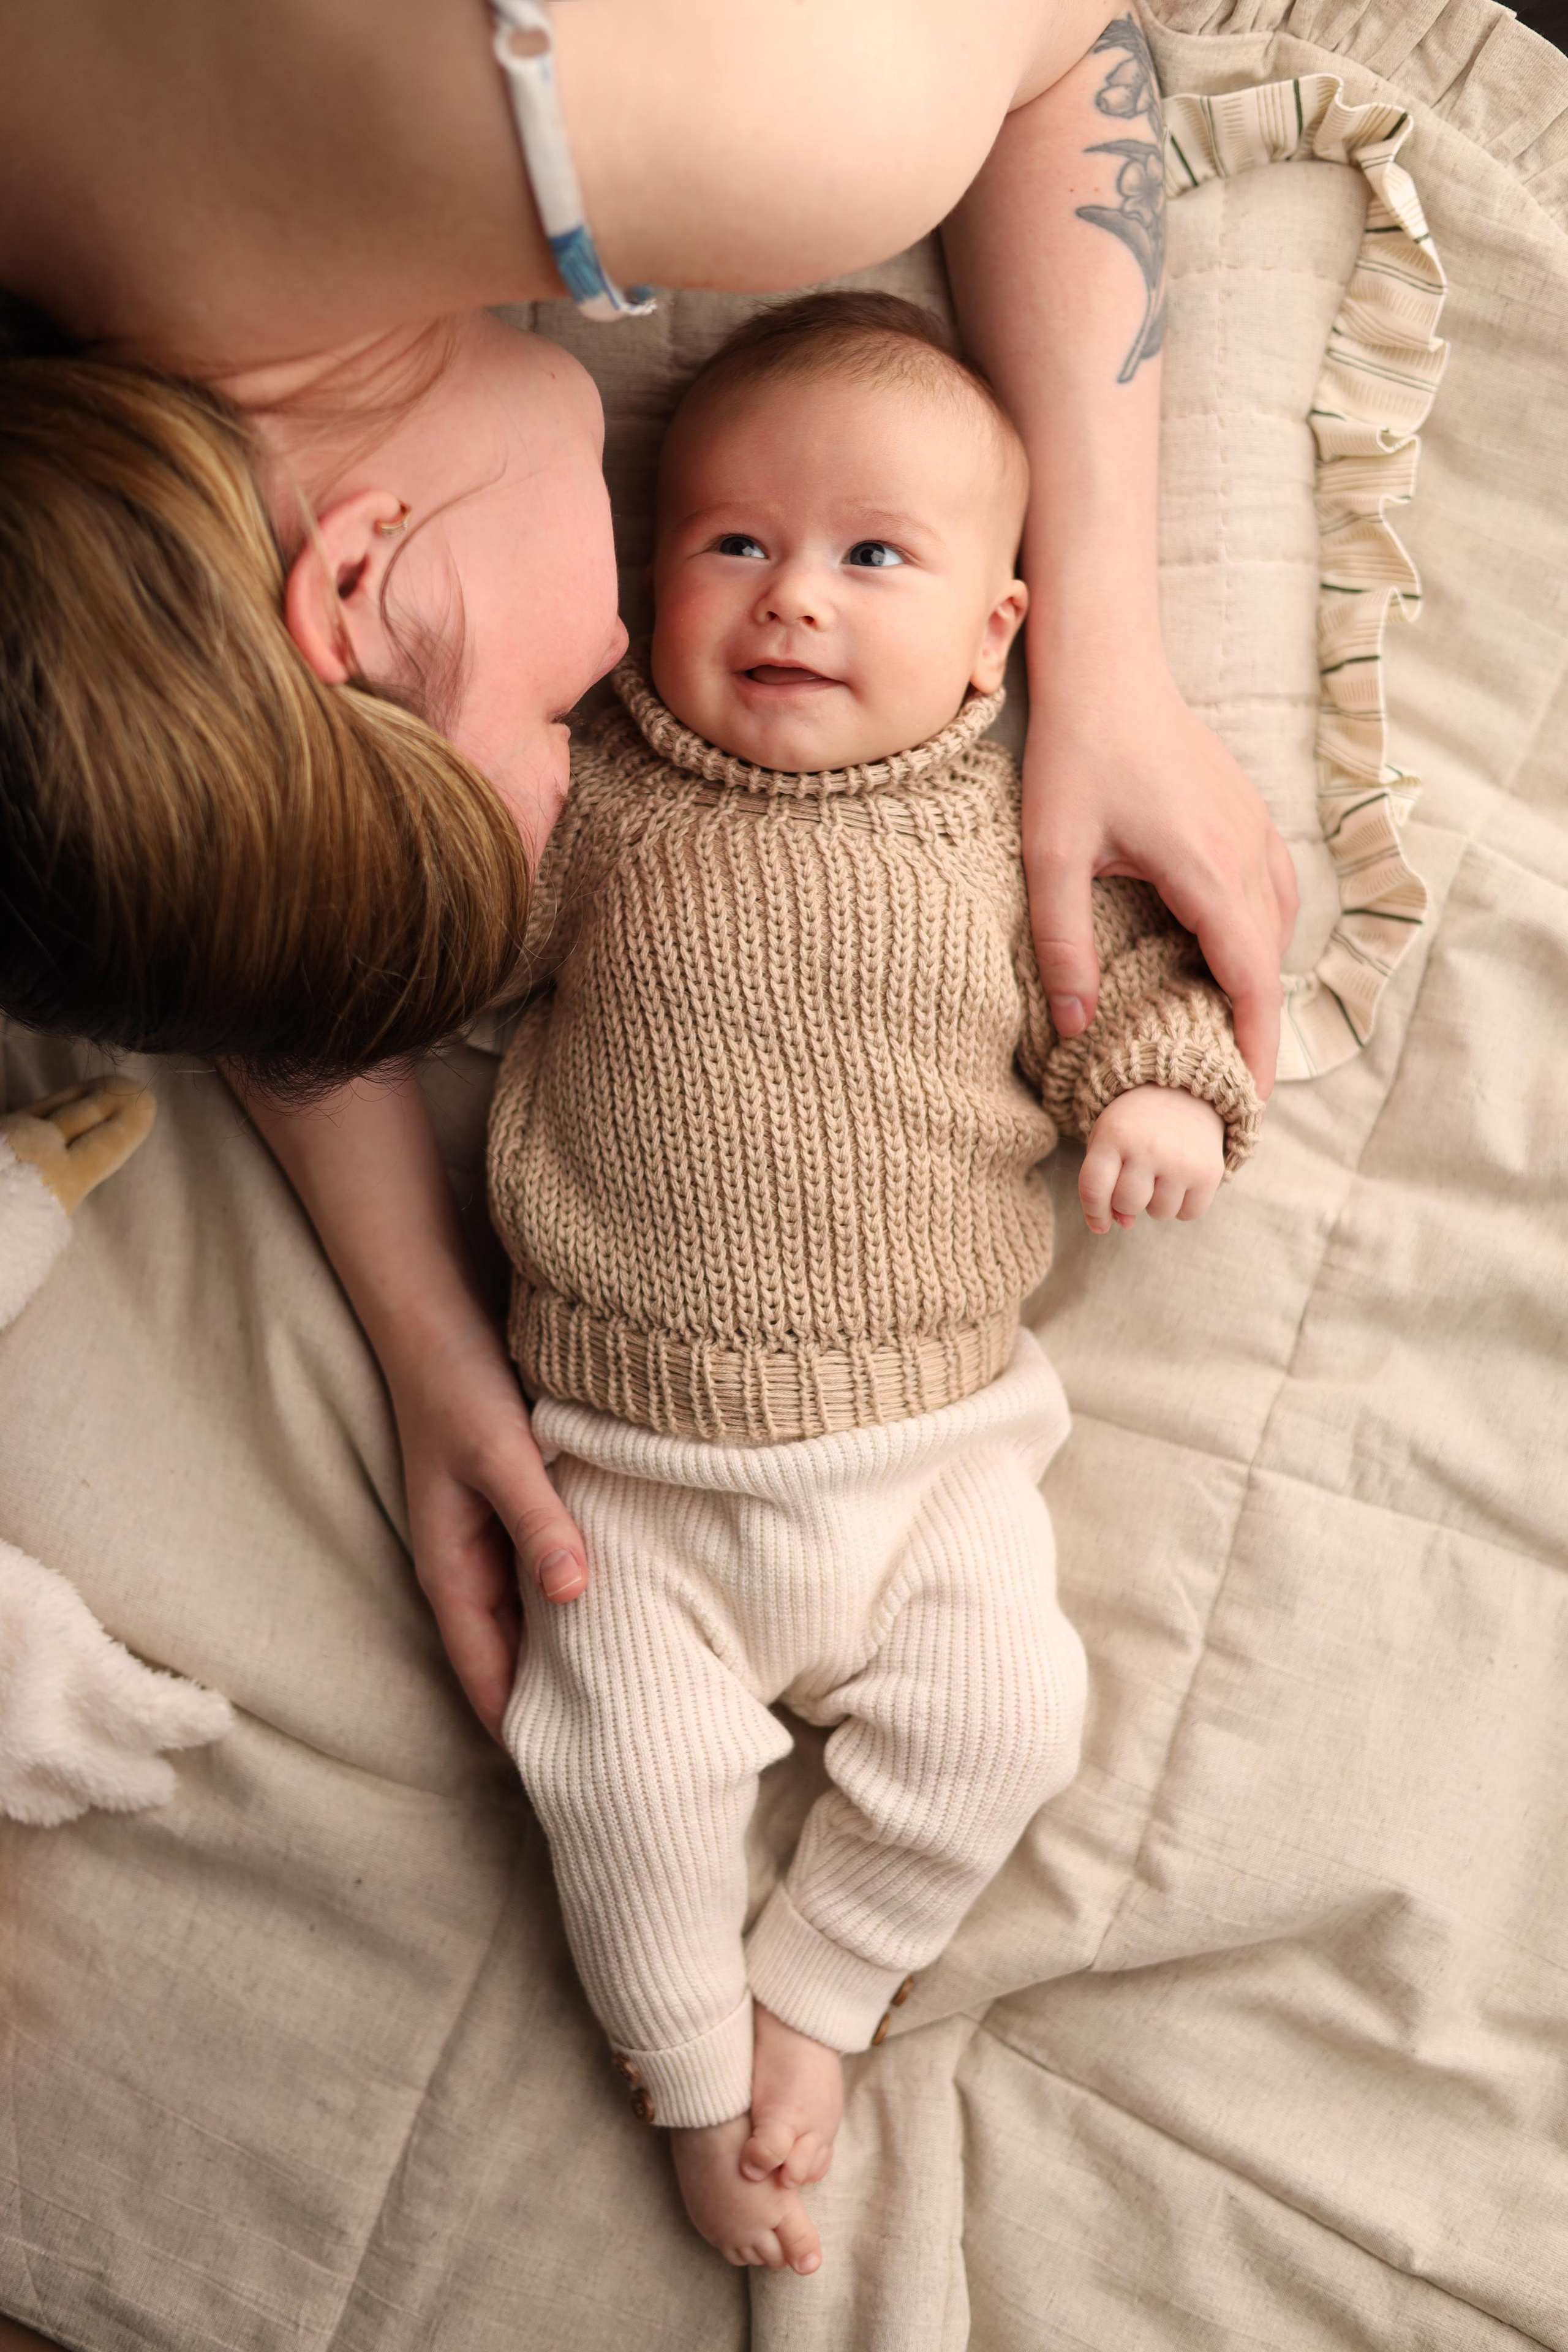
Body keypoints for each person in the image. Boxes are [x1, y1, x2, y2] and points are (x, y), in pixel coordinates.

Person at [0, 1, 1294, 1792]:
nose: (593, 728)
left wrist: (1110, 652)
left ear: (359, 575)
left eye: (536, 733)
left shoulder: (777, 133)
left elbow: (1076, 36)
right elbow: (222, 825)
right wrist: (428, 1334)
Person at [479, 291, 1262, 2275]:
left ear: (1001, 628)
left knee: (1008, 1725)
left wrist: (1164, 1099)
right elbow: (455, 929)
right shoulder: (605, 797)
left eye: (873, 556)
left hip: (933, 1463)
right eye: (731, 544)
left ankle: (821, 1987)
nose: (792, 601)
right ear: (650, 577)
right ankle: (686, 2072)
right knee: (618, 1776)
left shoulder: (1022, 833)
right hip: (627, 1468)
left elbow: (1142, 994)